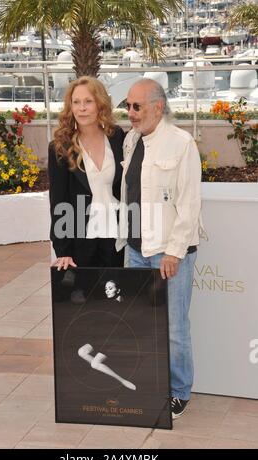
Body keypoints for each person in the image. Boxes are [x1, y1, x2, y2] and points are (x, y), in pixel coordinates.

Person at [116, 78, 205, 419]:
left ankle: (180, 391)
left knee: (174, 327)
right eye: (128, 105)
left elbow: (189, 203)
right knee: (140, 320)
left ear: (158, 107)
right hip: (136, 248)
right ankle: (151, 381)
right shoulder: (130, 141)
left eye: (136, 107)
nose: (131, 113)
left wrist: (174, 251)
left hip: (168, 252)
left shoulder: (181, 144)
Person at [48, 76, 125, 293]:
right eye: (76, 102)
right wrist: (62, 249)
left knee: (115, 299)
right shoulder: (60, 147)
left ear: (100, 104)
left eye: (88, 101)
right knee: (82, 303)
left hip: (115, 235)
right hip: (81, 236)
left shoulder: (117, 137)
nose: (81, 108)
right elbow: (58, 201)